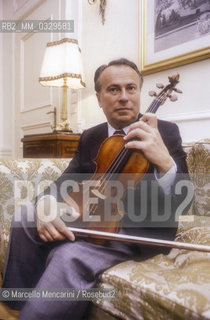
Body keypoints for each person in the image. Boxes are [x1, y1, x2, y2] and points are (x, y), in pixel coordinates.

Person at [1, 58, 190, 320]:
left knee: (68, 255)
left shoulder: (165, 133)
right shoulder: (91, 135)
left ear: (138, 93)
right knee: (25, 215)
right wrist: (45, 204)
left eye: (131, 88)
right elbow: (64, 182)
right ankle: (14, 305)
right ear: (99, 98)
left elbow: (184, 200)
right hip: (92, 215)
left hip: (136, 231)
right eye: (113, 89)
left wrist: (165, 162)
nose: (124, 97)